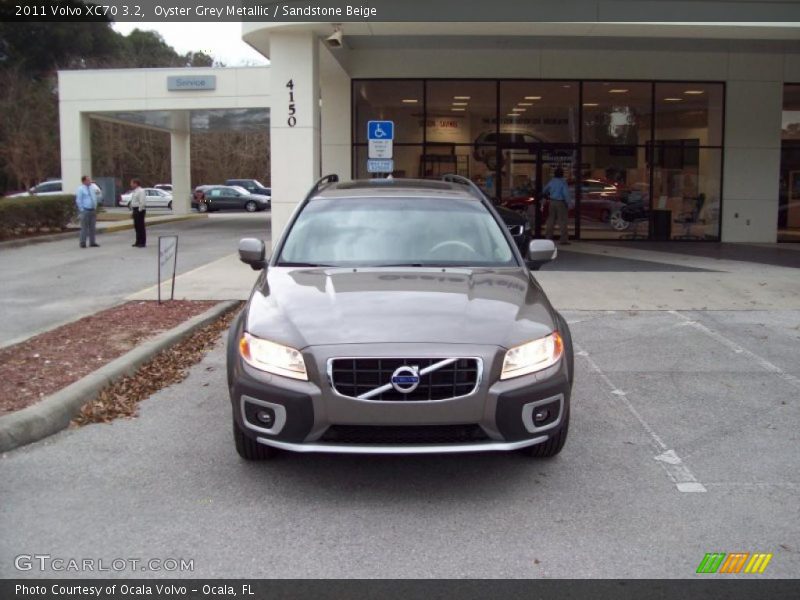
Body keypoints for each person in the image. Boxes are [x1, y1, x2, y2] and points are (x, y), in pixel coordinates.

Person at [542, 167, 571, 245]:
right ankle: (563, 240)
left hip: (552, 202)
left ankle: (548, 237)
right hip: (561, 203)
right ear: (562, 174)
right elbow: (566, 194)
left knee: (551, 220)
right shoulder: (563, 182)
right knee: (562, 221)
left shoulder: (552, 181)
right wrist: (569, 203)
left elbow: (544, 190)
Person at [75, 175, 99, 248]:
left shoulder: (92, 188)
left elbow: (96, 195)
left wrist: (95, 206)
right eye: (88, 180)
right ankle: (83, 242)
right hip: (85, 210)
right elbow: (79, 200)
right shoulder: (81, 189)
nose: (90, 181)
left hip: (92, 209)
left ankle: (92, 242)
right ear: (84, 181)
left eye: (90, 180)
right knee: (84, 227)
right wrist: (82, 209)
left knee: (92, 227)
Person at [130, 178, 147, 247]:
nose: (131, 185)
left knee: (141, 226)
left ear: (136, 184)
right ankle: (137, 241)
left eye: (132, 183)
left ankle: (142, 242)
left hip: (139, 210)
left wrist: (139, 210)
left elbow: (142, 202)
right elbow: (133, 201)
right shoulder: (134, 191)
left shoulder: (141, 191)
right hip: (135, 209)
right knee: (136, 226)